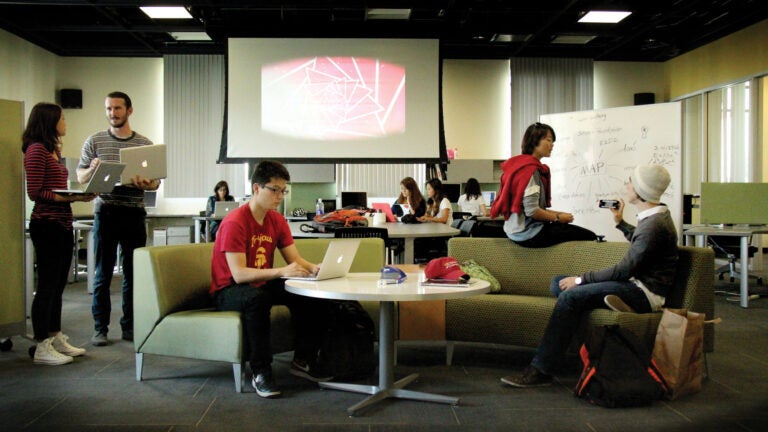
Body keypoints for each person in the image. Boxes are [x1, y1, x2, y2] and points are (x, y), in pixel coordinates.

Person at [500, 164, 679, 388]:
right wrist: (620, 222)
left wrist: (580, 280)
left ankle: (540, 369)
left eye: (631, 181)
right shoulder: (655, 218)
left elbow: (624, 269)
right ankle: (605, 302)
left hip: (644, 294)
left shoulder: (654, 225)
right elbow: (642, 243)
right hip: (633, 285)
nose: (627, 184)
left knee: (569, 296)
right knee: (558, 283)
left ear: (642, 190)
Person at [211, 160, 331, 398]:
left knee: (309, 294)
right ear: (257, 188)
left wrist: (314, 269)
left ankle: (303, 360)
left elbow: (294, 259)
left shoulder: (276, 220)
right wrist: (281, 272)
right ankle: (260, 371)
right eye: (274, 190)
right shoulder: (235, 222)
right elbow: (239, 274)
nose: (279, 196)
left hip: (260, 283)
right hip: (228, 290)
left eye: (283, 191)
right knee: (258, 299)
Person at [77, 91, 161, 346]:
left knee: (133, 275)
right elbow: (80, 177)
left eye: (117, 108)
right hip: (107, 211)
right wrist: (91, 170)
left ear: (129, 110)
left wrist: (146, 182)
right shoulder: (94, 141)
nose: (112, 113)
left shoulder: (144, 144)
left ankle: (130, 327)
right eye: (109, 109)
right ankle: (100, 328)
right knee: (102, 273)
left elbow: (156, 183)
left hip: (134, 212)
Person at [23, 102, 95, 365]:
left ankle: (55, 337)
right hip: (46, 224)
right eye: (62, 118)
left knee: (58, 285)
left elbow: (56, 189)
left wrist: (79, 196)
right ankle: (41, 346)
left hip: (63, 224)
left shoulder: (52, 150)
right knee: (46, 286)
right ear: (49, 121)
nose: (66, 122)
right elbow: (35, 193)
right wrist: (68, 199)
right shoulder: (35, 150)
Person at [491, 122, 597, 247]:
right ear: (535, 141)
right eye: (549, 140)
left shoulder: (518, 166)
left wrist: (559, 214)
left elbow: (530, 208)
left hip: (514, 231)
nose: (552, 145)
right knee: (590, 236)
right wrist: (558, 217)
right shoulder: (531, 171)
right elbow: (532, 211)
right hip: (529, 233)